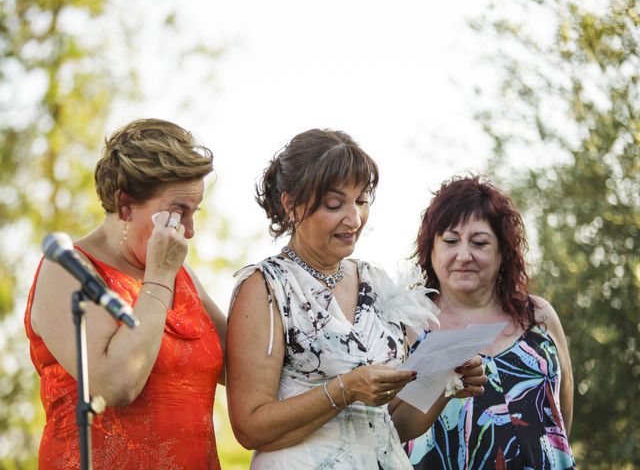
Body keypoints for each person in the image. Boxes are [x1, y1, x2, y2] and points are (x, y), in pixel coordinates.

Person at [225, 129, 487, 469]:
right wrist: (345, 389)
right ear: (291, 204)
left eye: (362, 201)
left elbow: (394, 423)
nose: (354, 219)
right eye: (335, 204)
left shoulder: (375, 282)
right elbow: (249, 427)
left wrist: (446, 383)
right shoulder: (266, 288)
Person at [24, 118, 226, 469]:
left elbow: (245, 367)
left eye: (195, 213)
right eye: (179, 212)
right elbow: (115, 385)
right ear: (126, 205)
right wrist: (159, 277)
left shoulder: (183, 276)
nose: (189, 232)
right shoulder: (67, 269)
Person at [406, 175, 575, 469]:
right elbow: (388, 428)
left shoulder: (538, 317)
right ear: (430, 249)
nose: (463, 255)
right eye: (450, 240)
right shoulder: (407, 326)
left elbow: (562, 416)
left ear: (502, 252)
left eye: (479, 242)